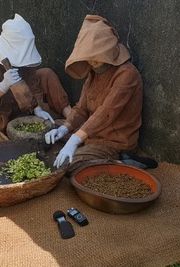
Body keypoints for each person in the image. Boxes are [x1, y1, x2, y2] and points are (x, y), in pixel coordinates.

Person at [45, 15, 144, 175]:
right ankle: (76, 142)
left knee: (69, 166)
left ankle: (122, 162)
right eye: (89, 56)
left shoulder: (127, 74)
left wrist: (75, 139)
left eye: (96, 55)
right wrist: (64, 128)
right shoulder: (94, 73)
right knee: (49, 132)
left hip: (114, 141)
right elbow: (81, 108)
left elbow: (106, 113)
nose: (92, 61)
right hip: (91, 133)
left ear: (108, 50)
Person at [0, 13, 71, 132]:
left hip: (19, 103)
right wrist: (2, 87)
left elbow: (32, 84)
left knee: (46, 74)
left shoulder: (26, 60)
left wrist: (37, 108)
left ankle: (70, 116)